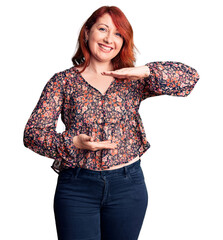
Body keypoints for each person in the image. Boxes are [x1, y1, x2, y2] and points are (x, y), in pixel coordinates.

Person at [23, 5, 200, 240]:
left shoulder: (132, 78)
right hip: (77, 187)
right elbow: (33, 134)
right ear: (87, 32)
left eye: (118, 33)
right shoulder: (63, 82)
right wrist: (73, 142)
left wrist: (145, 71)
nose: (109, 39)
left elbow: (190, 78)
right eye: (103, 29)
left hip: (128, 185)